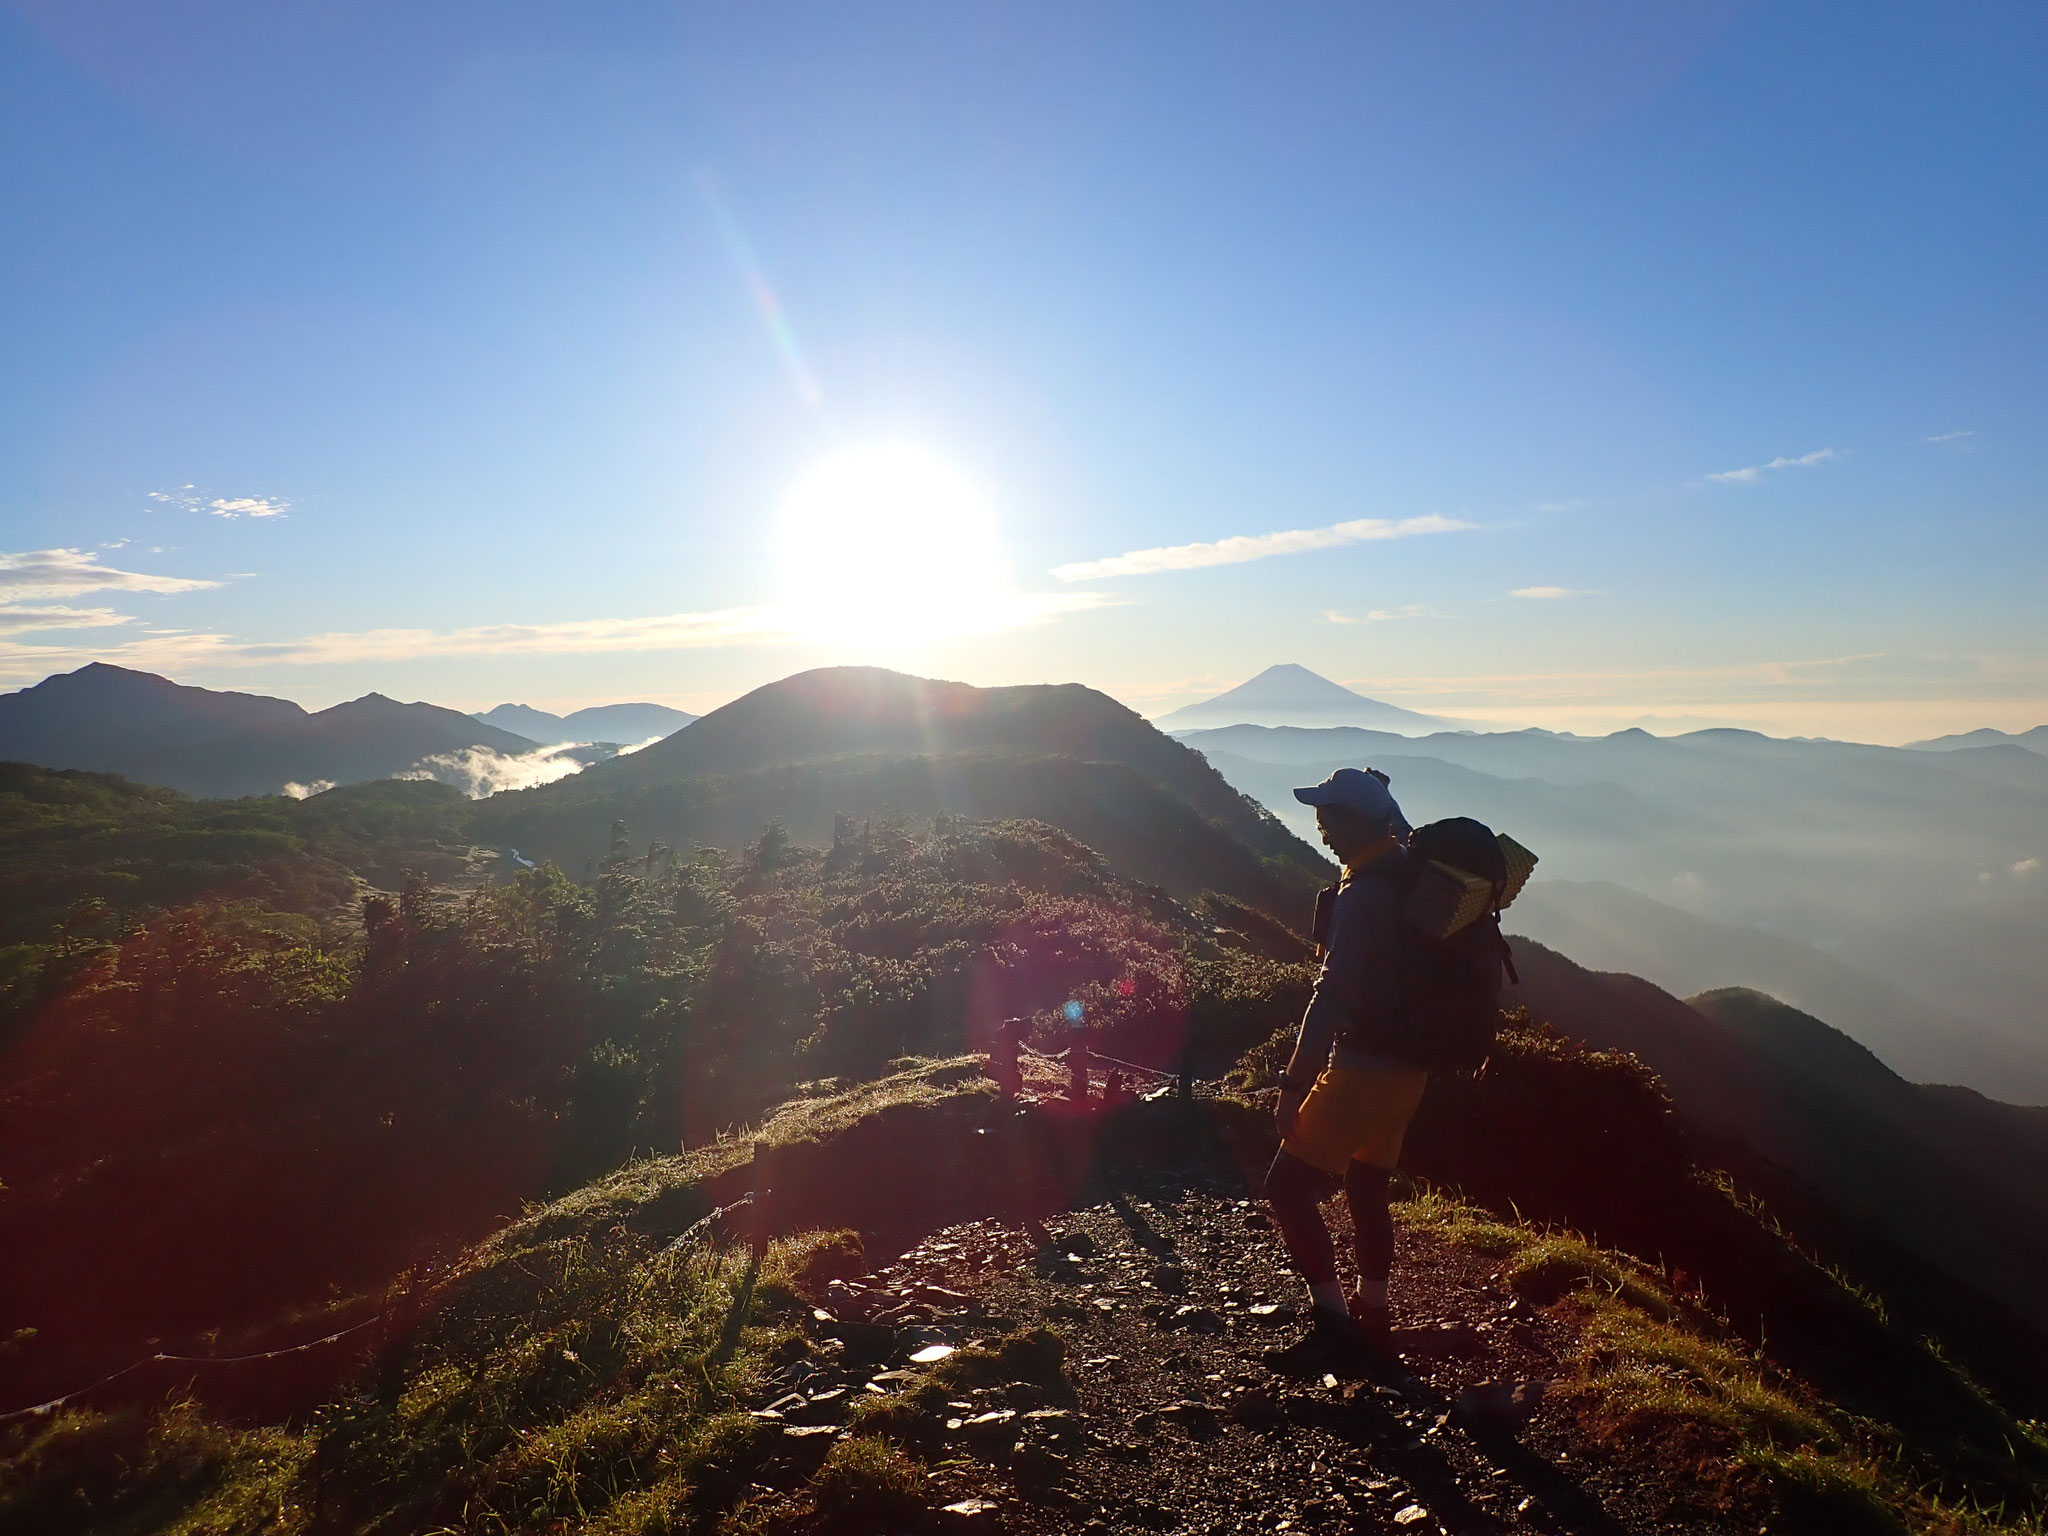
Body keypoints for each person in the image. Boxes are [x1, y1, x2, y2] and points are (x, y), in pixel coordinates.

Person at [1264, 766, 1425, 1370]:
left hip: (1362, 1069)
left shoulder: (1365, 896)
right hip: (1409, 1072)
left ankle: (1333, 1322)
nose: (1322, 832)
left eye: (1330, 819)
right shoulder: (1406, 876)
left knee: (1286, 1188)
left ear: (1359, 822)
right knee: (1365, 1186)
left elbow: (1331, 996)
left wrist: (1293, 1084)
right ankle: (1374, 1315)